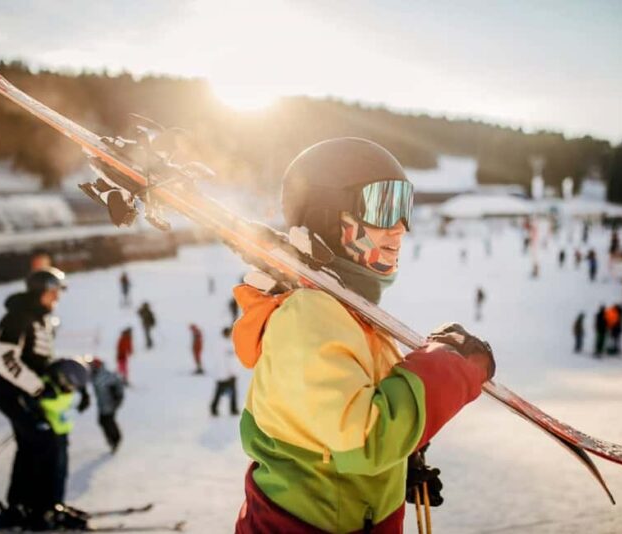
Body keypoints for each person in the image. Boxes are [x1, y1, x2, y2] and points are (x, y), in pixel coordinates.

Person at [232, 138, 494, 533]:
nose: (401, 228)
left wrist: (395, 465)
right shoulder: (308, 316)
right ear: (327, 216)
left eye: (404, 208)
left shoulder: (344, 311)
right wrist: (452, 367)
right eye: (384, 208)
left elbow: (339, 433)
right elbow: (363, 439)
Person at [0, 268, 90, 529]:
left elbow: (40, 360)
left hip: (30, 396)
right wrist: (36, 388)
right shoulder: (17, 317)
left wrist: (67, 381)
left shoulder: (42, 318)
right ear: (40, 290)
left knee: (32, 447)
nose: (57, 296)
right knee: (45, 444)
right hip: (14, 395)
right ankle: (42, 509)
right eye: (53, 290)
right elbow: (5, 358)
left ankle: (24, 507)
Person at [89, 358, 125, 451]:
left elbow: (118, 383)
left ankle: (115, 438)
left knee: (107, 421)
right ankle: (112, 439)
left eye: (93, 366)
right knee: (103, 421)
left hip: (109, 403)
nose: (91, 368)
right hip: (102, 403)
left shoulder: (105, 375)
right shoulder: (95, 374)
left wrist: (118, 397)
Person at [210, 327, 238, 417]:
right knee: (223, 392)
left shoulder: (225, 344)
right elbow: (226, 361)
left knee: (224, 392)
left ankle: (229, 409)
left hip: (225, 374)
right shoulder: (224, 345)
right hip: (226, 374)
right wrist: (231, 373)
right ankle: (216, 408)